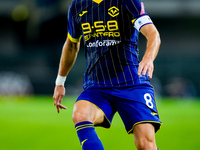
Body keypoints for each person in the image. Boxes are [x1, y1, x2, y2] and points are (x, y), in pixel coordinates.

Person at [53, 0, 161, 149]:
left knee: (145, 145)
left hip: (132, 83)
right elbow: (71, 45)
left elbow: (153, 34)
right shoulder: (77, 6)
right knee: (80, 114)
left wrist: (148, 58)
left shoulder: (128, 2)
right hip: (97, 86)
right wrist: (60, 82)